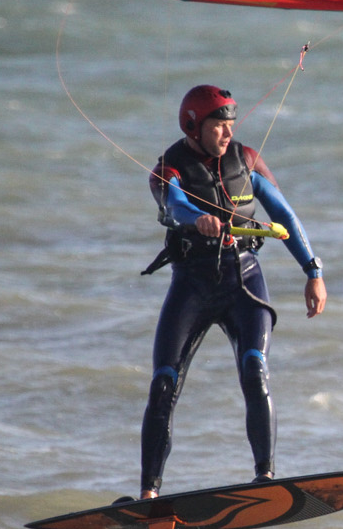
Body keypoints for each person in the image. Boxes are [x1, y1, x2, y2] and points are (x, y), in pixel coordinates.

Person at [136, 85, 326, 499]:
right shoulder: (168, 168)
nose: (227, 133)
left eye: (230, 125)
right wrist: (197, 217)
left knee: (255, 369)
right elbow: (174, 204)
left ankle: (265, 478)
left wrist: (313, 270)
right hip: (192, 284)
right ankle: (149, 492)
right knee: (164, 383)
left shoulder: (246, 160)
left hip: (244, 280)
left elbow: (283, 214)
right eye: (218, 126)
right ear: (193, 124)